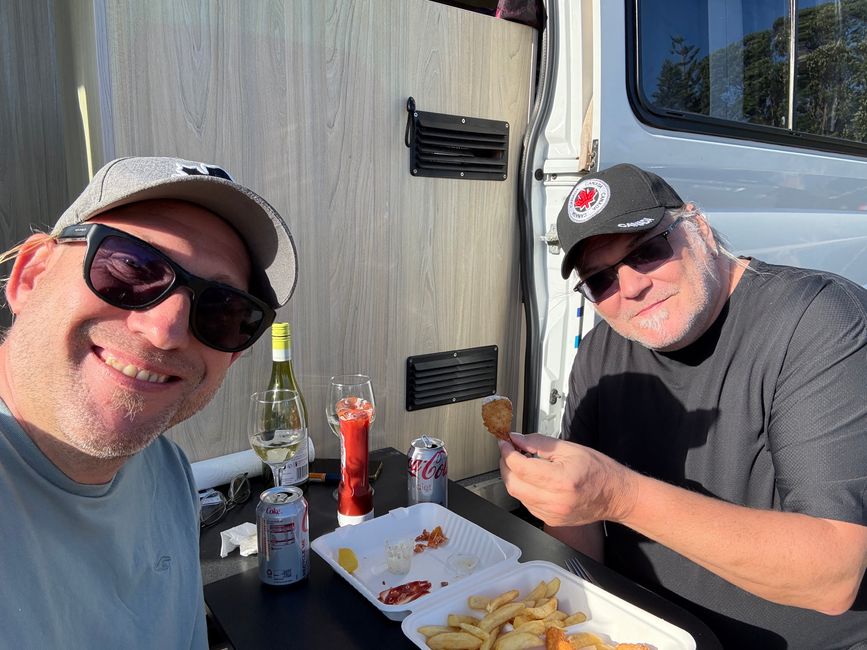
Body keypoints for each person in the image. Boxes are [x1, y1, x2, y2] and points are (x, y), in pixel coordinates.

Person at [498, 164, 867, 648]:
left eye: (647, 252)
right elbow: (579, 531)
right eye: (601, 280)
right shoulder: (600, 353)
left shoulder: (815, 319)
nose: (629, 288)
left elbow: (831, 576)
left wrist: (618, 494)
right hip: (639, 634)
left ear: (699, 228)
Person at [0, 156, 297, 648]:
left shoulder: (166, 470)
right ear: (30, 276)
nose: (165, 331)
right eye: (132, 267)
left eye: (224, 310)